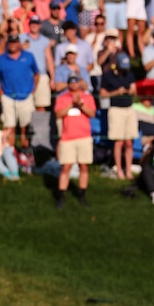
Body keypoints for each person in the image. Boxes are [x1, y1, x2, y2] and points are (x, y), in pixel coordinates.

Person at [54, 74, 96, 208]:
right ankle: (61, 196)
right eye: (71, 82)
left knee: (84, 166)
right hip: (68, 137)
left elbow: (92, 113)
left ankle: (82, 195)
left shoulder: (87, 97)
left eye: (76, 81)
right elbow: (59, 114)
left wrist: (81, 105)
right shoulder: (62, 98)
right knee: (66, 167)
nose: (74, 84)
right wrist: (72, 104)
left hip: (84, 136)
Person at [0, 32, 39, 149]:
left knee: (25, 126)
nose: (12, 45)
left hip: (25, 95)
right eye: (10, 43)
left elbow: (36, 73)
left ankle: (25, 150)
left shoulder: (28, 56)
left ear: (19, 43)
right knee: (9, 126)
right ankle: (10, 151)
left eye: (15, 42)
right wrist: (1, 93)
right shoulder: (2, 59)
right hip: (8, 96)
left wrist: (33, 89)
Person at [100, 52, 138, 180]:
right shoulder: (108, 76)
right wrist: (116, 92)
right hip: (116, 109)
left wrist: (131, 91)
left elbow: (134, 88)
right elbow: (103, 94)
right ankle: (119, 169)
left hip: (129, 108)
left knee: (129, 142)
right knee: (119, 141)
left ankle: (128, 169)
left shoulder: (130, 74)